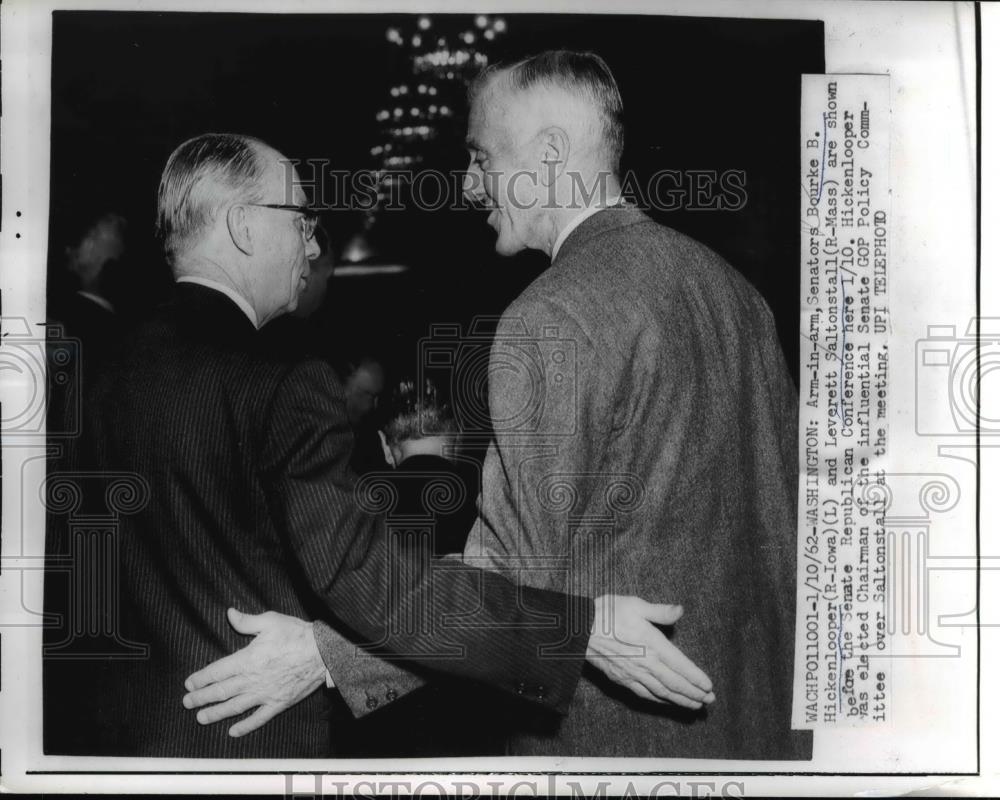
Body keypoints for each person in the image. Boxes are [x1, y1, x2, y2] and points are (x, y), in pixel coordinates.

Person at [185, 50, 809, 760]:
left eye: (482, 157)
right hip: (762, 740)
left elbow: (510, 582)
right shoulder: (738, 295)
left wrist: (325, 655)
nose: (469, 184)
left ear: (549, 153)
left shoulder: (550, 315)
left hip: (609, 752)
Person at [47, 131, 714, 758]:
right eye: (301, 219)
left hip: (103, 745)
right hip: (247, 749)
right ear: (246, 228)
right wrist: (578, 633)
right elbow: (375, 586)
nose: (311, 248)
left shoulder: (90, 368)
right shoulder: (283, 381)